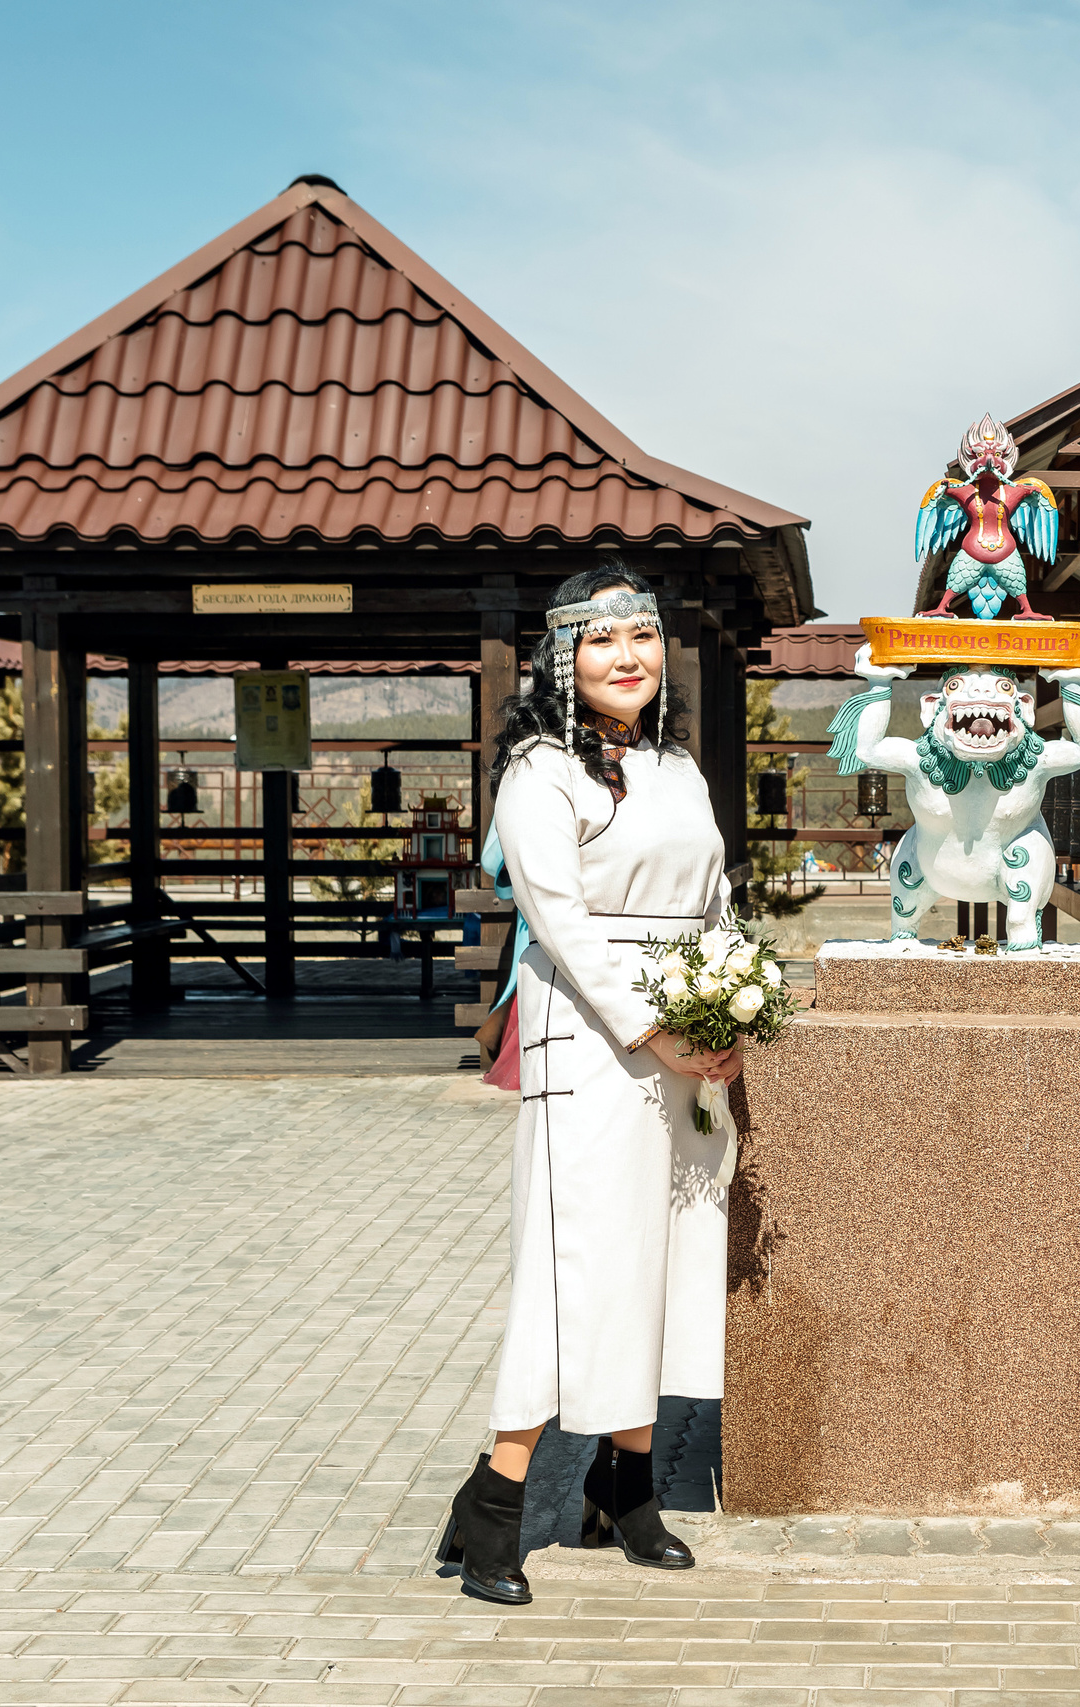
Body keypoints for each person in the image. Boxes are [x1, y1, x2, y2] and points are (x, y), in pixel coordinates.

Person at [435, 564, 743, 1602]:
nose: (627, 657)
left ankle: (625, 1483)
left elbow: (713, 899)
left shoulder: (674, 766)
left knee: (662, 1256)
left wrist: (729, 1004)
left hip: (681, 1047)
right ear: (563, 658)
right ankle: (496, 1500)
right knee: (574, 1270)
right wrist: (652, 1024)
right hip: (594, 1037)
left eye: (642, 636)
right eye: (602, 640)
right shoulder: (539, 769)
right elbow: (558, 919)